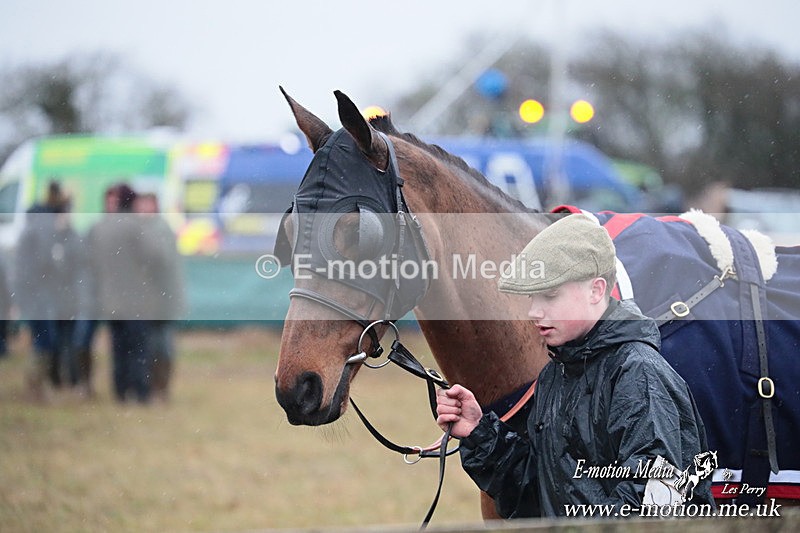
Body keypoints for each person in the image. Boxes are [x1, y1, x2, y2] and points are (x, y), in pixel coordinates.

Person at [436, 214, 714, 518]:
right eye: (531, 297)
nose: (533, 311)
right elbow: (539, 495)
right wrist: (480, 433)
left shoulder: (638, 375)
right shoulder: (554, 376)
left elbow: (656, 509)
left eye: (549, 295)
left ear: (596, 290)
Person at [90, 184, 154, 403]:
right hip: (135, 301)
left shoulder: (101, 226)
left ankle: (120, 391)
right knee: (138, 349)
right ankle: (140, 393)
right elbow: (152, 259)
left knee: (118, 349)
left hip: (111, 301)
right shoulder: (136, 227)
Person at [134, 192, 185, 402]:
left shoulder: (161, 229)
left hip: (162, 302)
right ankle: (150, 388)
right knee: (147, 347)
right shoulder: (139, 229)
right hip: (145, 302)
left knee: (161, 347)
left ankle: (160, 388)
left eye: (147, 204)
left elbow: (163, 263)